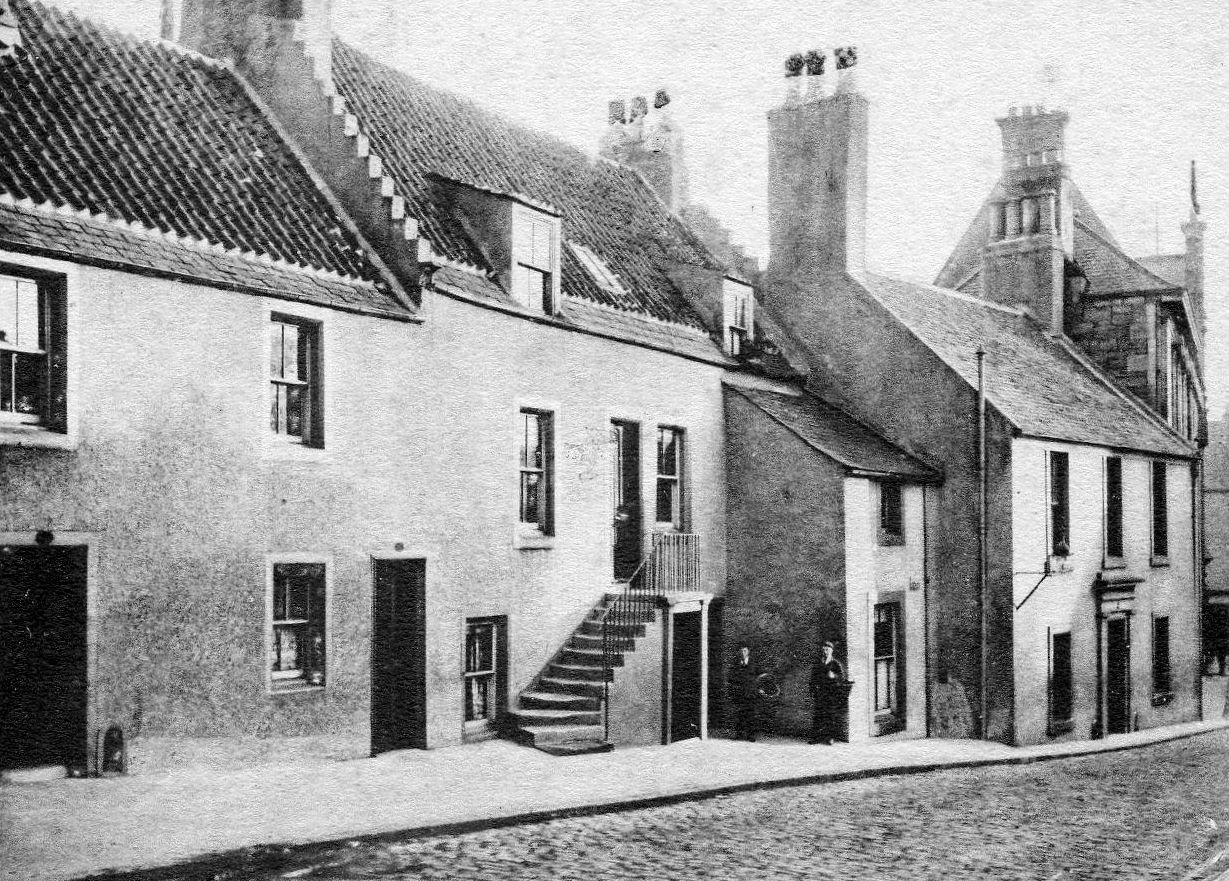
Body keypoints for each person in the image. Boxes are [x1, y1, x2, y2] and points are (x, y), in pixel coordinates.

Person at [809, 640, 847, 744]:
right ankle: (816, 737)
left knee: (831, 715)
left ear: (832, 651)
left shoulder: (835, 663)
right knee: (818, 715)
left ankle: (830, 737)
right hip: (820, 692)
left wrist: (834, 676)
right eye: (824, 650)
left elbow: (842, 678)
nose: (825, 652)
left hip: (831, 693)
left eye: (827, 649)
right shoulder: (819, 663)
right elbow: (813, 677)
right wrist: (812, 689)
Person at [727, 643, 759, 742]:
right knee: (740, 714)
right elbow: (730, 677)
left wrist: (759, 688)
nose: (742, 653)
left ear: (748, 652)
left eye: (744, 651)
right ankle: (739, 734)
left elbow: (762, 676)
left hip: (751, 693)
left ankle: (751, 735)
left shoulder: (754, 664)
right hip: (739, 693)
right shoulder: (735, 664)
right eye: (741, 651)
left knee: (751, 715)